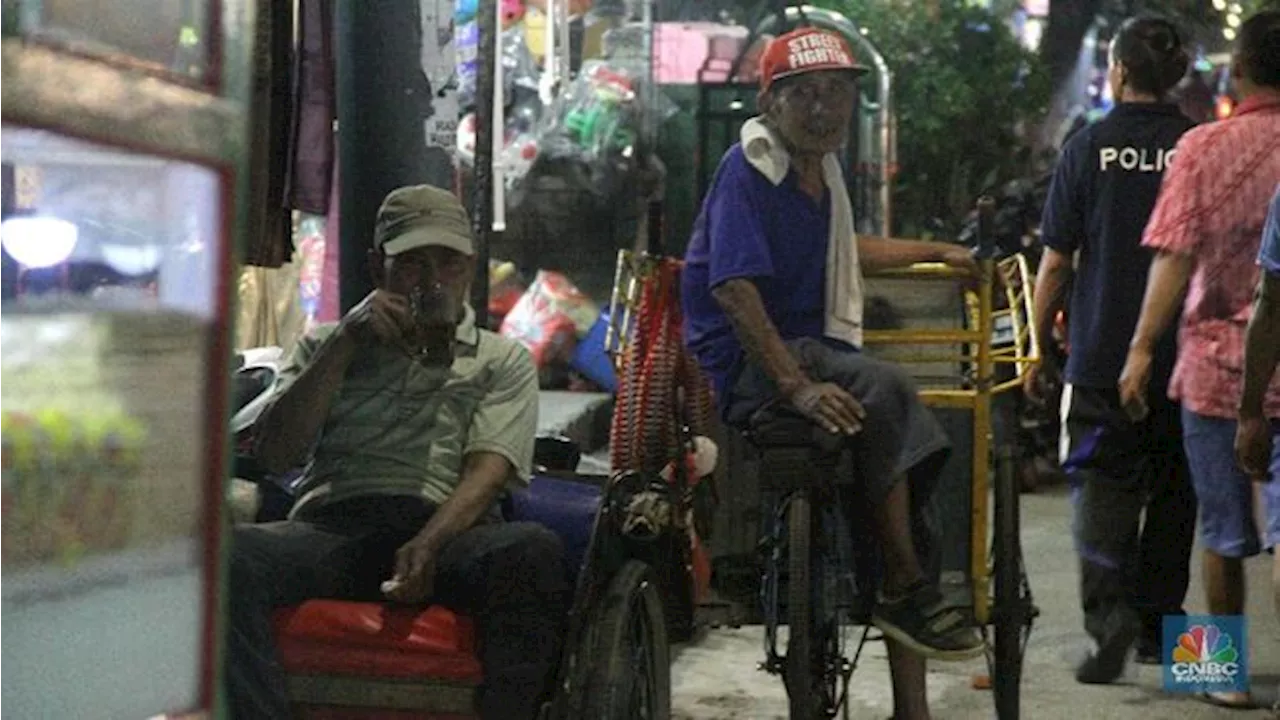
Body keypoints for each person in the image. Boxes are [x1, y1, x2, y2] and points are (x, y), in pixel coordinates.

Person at [681, 26, 984, 720]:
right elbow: (734, 289)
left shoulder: (822, 176)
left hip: (808, 349)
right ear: (771, 103)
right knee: (888, 387)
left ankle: (913, 700)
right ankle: (907, 583)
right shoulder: (750, 168)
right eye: (806, 95)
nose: (824, 109)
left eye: (838, 94)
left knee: (905, 472)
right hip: (751, 362)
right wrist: (798, 386)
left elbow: (845, 250)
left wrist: (936, 250)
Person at [224, 185, 568, 720]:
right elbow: (274, 455)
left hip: (448, 530)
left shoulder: (501, 360)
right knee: (224, 559)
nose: (432, 281)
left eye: (448, 264)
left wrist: (429, 544)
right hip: (335, 525)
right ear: (375, 268)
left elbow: (489, 469)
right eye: (411, 265)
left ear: (469, 267)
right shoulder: (324, 345)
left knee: (531, 552)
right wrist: (344, 345)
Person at [1027, 15, 1199, 684]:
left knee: (1103, 494)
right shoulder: (1198, 146)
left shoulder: (1088, 147)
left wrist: (1038, 345)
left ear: (1119, 71)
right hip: (1188, 361)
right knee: (1182, 499)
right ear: (1178, 75)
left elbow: (1056, 261)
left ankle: (1109, 626)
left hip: (1102, 356)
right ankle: (1187, 653)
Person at [1118, 9, 1280, 710]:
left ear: (1238, 69)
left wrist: (1140, 348)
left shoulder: (1201, 148)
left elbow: (1174, 260)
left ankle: (1221, 679)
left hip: (1215, 368)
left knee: (1216, 531)